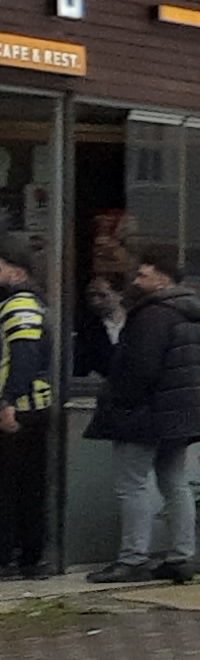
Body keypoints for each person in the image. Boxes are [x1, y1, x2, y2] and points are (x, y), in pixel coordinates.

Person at [86, 247, 200, 584]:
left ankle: (133, 558)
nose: (136, 280)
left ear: (162, 279)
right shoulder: (191, 313)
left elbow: (140, 368)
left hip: (145, 414)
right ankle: (182, 555)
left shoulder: (154, 315)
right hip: (179, 414)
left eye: (144, 274)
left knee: (133, 485)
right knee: (174, 482)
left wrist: (121, 402)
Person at [0, 234, 50, 580]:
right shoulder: (31, 304)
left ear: (15, 271)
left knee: (9, 487)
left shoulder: (19, 305)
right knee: (28, 486)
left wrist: (8, 401)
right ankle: (30, 557)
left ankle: (9, 557)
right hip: (32, 406)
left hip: (20, 409)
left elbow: (24, 356)